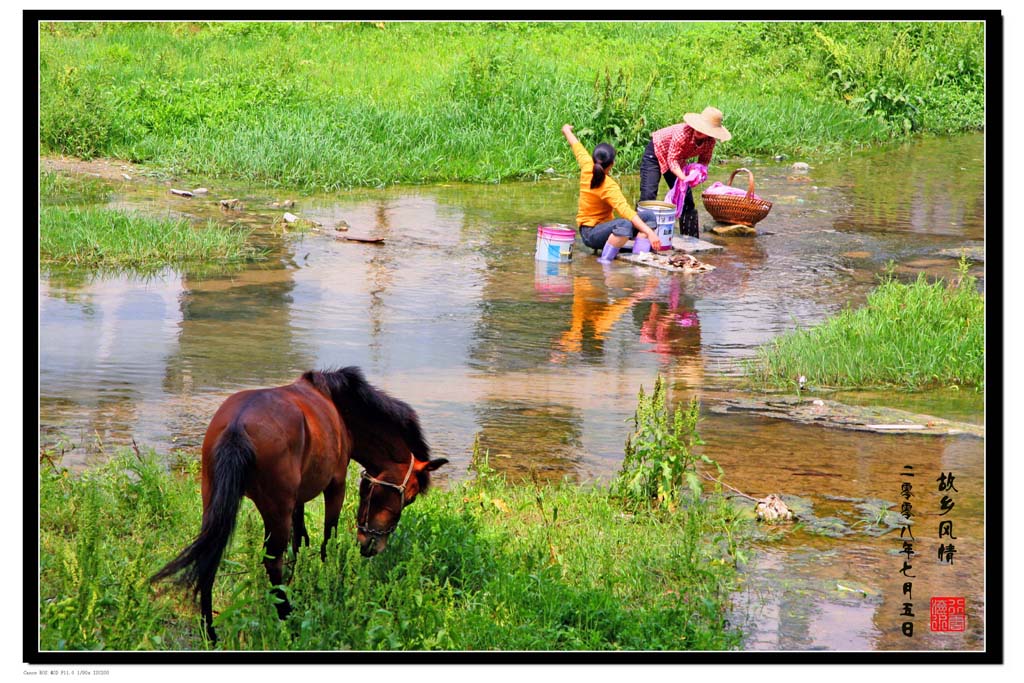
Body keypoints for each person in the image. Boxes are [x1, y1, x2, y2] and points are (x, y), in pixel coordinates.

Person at [562, 124, 660, 264]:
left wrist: (566, 130)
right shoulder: (608, 186)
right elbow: (626, 212)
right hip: (590, 234)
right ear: (612, 164)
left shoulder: (587, 165)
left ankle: (639, 255)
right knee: (624, 224)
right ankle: (605, 262)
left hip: (601, 229)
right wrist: (650, 233)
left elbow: (576, 146)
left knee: (648, 215)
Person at [639, 106, 732, 237]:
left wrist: (698, 173)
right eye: (700, 127)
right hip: (656, 152)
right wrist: (684, 178)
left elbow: (704, 161)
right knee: (648, 195)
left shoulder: (710, 142)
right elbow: (672, 160)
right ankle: (640, 234)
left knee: (687, 200)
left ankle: (691, 238)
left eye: (704, 130)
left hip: (678, 159)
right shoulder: (683, 133)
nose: (699, 131)